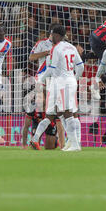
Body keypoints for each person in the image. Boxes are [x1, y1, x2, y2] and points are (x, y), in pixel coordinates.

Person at [31, 24, 84, 152]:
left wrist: (41, 81)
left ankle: (75, 144)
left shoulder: (56, 48)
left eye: (52, 34)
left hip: (61, 83)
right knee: (53, 113)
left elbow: (51, 69)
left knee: (67, 113)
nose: (51, 37)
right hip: (64, 82)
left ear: (57, 35)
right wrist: (74, 79)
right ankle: (36, 139)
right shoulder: (71, 47)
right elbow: (81, 66)